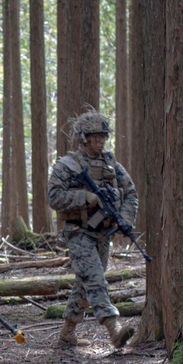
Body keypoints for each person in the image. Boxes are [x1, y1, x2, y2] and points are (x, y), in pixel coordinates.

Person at [47, 111, 139, 349]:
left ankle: (67, 334)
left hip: (102, 233)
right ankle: (114, 329)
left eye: (103, 136)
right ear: (84, 138)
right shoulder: (67, 165)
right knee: (96, 279)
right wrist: (85, 197)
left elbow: (130, 193)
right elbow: (53, 197)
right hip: (79, 232)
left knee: (85, 283)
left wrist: (125, 219)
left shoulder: (111, 163)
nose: (101, 141)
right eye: (95, 136)